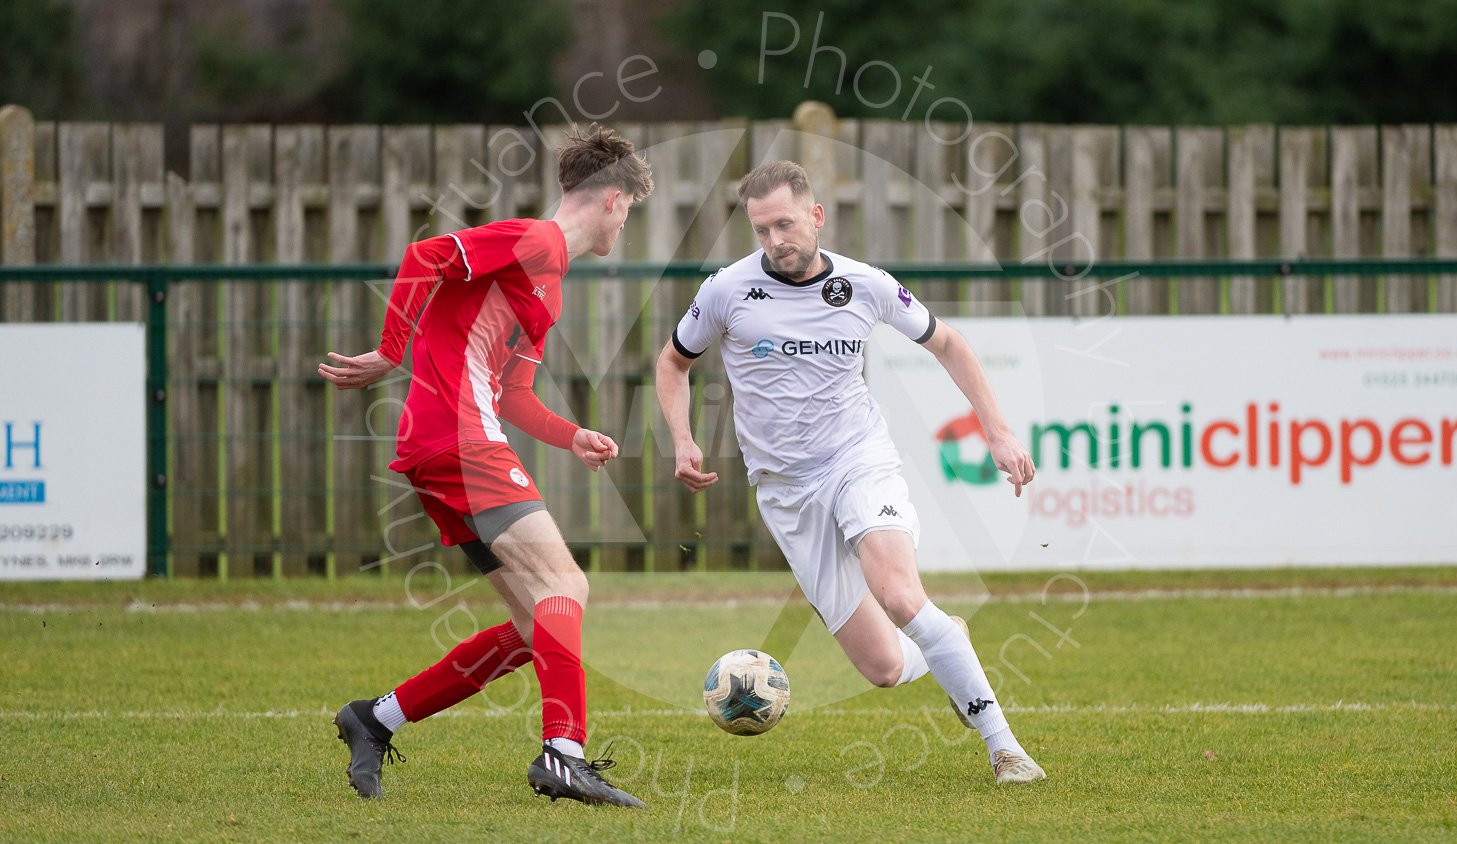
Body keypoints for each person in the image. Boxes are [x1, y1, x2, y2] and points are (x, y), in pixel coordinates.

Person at [655, 160, 1046, 785]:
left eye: (784, 224)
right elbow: (673, 362)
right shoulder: (727, 290)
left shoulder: (865, 284)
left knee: (897, 593)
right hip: (784, 489)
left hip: (857, 458)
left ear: (815, 216)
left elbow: (948, 342)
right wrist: (681, 438)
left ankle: (1006, 750)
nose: (774, 241)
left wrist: (996, 431)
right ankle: (949, 643)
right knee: (884, 667)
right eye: (760, 230)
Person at [317, 124, 652, 808]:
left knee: (537, 624)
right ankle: (563, 754)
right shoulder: (539, 241)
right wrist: (389, 350)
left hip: (447, 444)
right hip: (459, 440)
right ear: (614, 200)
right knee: (566, 585)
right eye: (631, 212)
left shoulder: (550, 290)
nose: (626, 224)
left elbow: (516, 396)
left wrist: (572, 435)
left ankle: (374, 719)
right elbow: (425, 255)